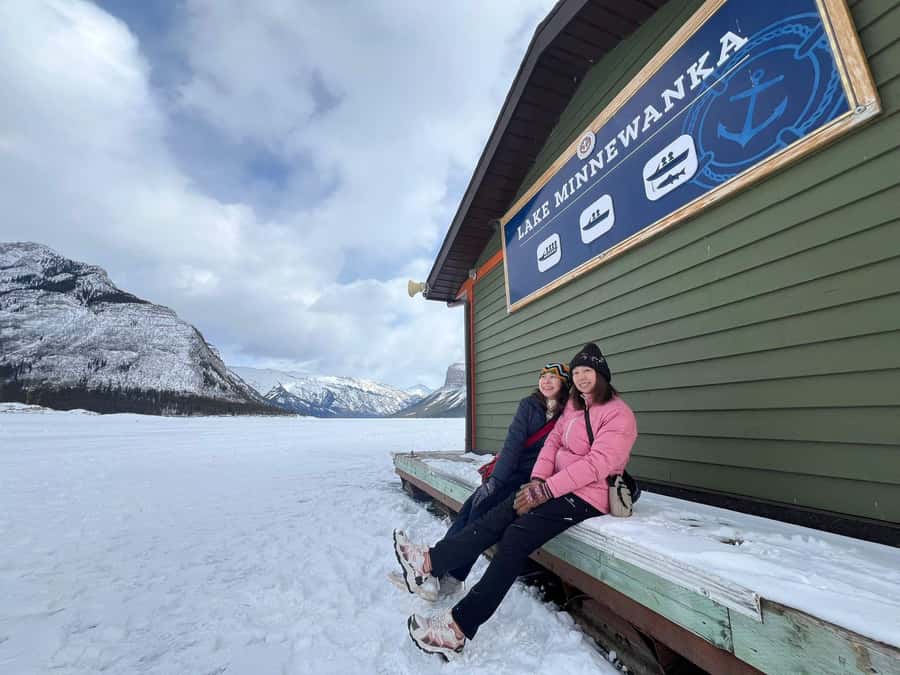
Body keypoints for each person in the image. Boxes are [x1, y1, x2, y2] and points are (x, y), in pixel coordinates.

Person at [393, 342, 637, 660]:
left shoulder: (619, 414)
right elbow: (551, 444)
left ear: (601, 374)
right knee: (501, 512)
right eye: (577, 371)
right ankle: (429, 562)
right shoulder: (574, 407)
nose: (581, 377)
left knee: (516, 537)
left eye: (587, 371)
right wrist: (537, 481)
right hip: (553, 485)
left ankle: (457, 628)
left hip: (588, 495)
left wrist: (546, 491)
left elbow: (595, 465)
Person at [392, 361, 571, 599]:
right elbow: (513, 445)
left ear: (564, 383)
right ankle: (441, 575)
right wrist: (496, 481)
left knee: (477, 518)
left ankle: (443, 575)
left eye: (553, 377)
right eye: (543, 377)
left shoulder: (568, 415)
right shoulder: (529, 405)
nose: (546, 381)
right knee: (469, 512)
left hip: (531, 480)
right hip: (509, 473)